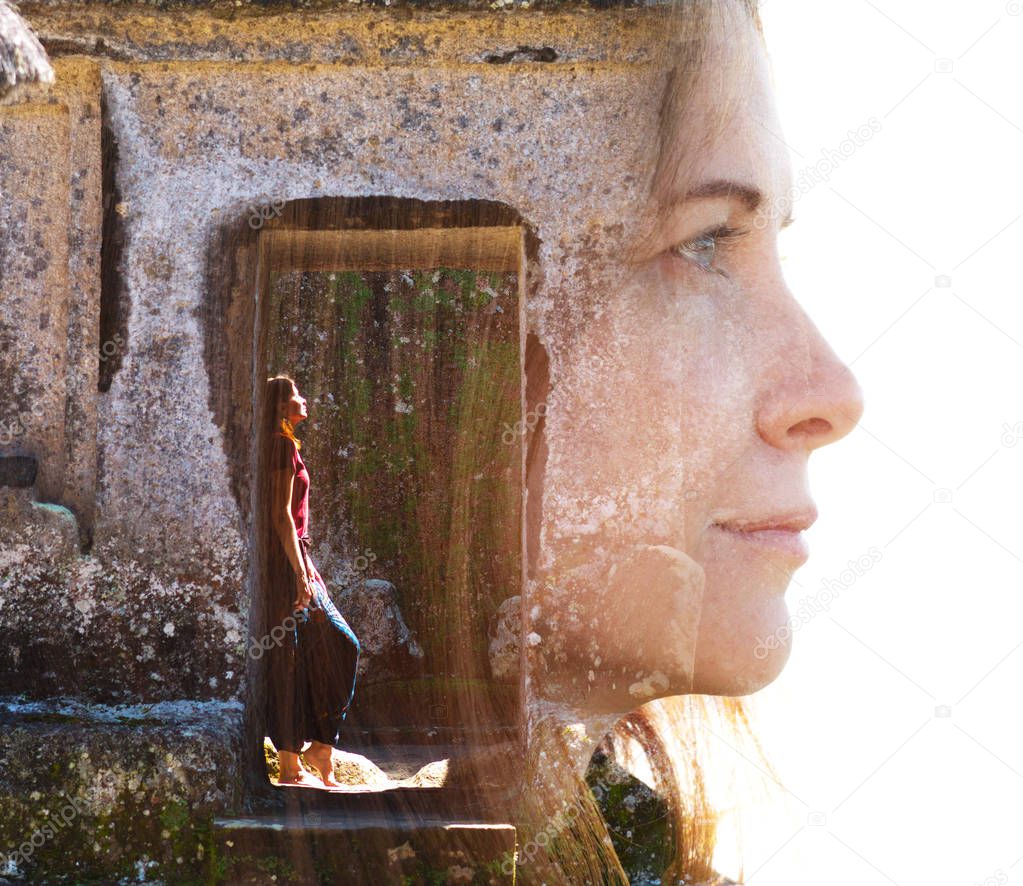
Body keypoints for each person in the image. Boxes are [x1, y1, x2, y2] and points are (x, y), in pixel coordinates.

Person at [260, 374, 361, 789]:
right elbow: (280, 515)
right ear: (283, 406)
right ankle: (289, 761)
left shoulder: (288, 445)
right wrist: (300, 573)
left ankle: (317, 748)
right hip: (287, 561)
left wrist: (306, 566)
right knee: (297, 654)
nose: (304, 399)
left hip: (298, 557)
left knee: (326, 648)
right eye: (296, 394)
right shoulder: (280, 445)